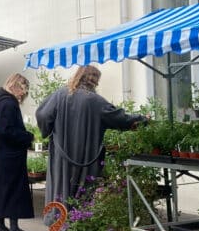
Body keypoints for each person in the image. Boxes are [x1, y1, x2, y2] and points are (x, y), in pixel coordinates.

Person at [35, 65, 145, 218]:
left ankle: (55, 225)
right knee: (82, 190)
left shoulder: (60, 94)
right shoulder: (95, 101)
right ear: (94, 81)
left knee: (59, 188)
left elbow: (43, 114)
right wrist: (142, 119)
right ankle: (78, 227)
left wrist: (49, 131)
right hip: (85, 156)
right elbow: (118, 117)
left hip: (61, 156)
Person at [0, 73, 36, 231]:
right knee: (15, 189)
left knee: (3, 188)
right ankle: (14, 228)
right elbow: (7, 131)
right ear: (14, 86)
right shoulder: (9, 104)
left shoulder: (2, 102)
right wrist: (27, 136)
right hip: (11, 155)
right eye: (22, 89)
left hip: (2, 154)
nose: (23, 94)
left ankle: (0, 226)